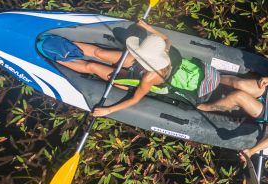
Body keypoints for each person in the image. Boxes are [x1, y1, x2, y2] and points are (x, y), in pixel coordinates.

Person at [53, 20, 220, 116]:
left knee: (93, 66)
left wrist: (108, 110)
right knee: (100, 53)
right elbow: (167, 40)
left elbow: (135, 99)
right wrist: (148, 28)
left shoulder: (150, 79)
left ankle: (55, 59)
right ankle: (63, 46)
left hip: (135, 80)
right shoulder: (168, 52)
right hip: (139, 64)